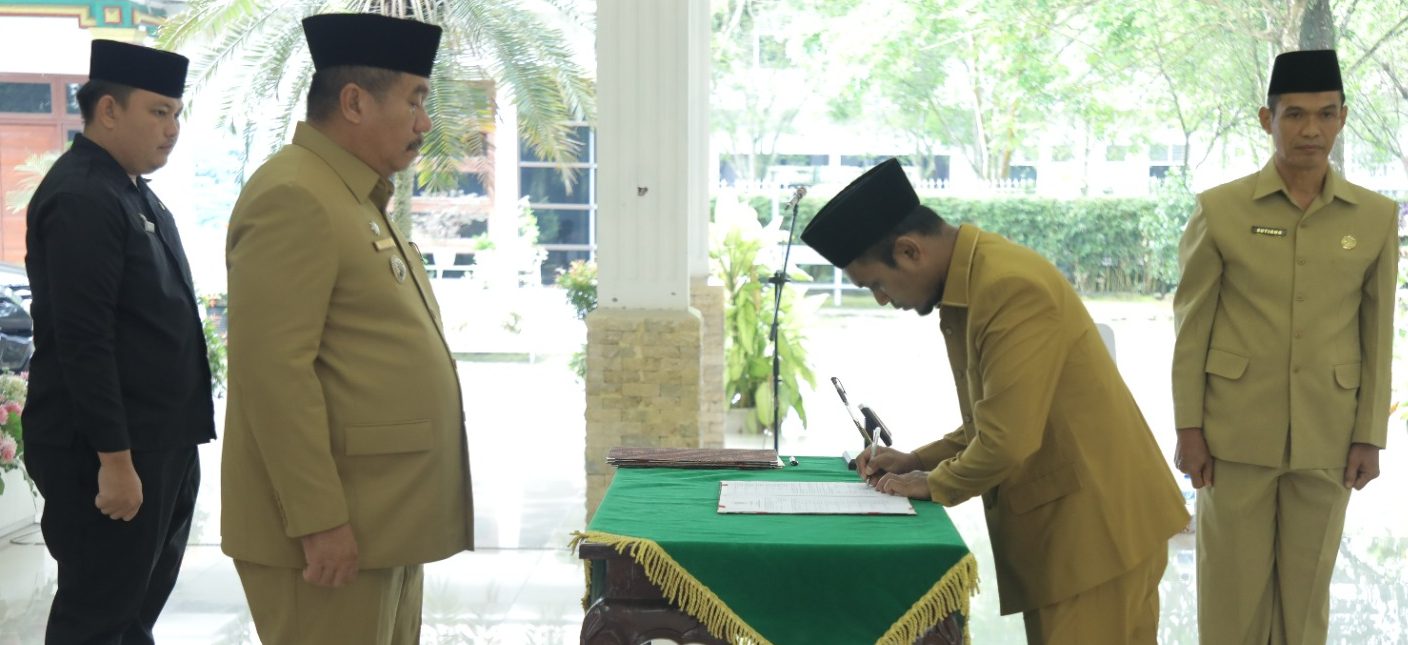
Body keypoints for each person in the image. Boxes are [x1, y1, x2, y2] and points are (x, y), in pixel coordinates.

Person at [801, 159, 1188, 644]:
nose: (881, 299)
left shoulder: (1007, 287)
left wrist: (931, 483)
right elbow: (999, 414)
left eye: (876, 283)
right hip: (1075, 528)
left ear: (909, 250)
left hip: (1097, 531)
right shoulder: (977, 282)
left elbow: (1007, 438)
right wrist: (917, 459)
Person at [220, 13, 473, 645]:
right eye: (415, 99)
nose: (425, 121)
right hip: (330, 532)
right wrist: (319, 521)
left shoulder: (350, 195)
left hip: (381, 517)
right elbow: (274, 375)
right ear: (355, 102)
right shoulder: (295, 196)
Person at [1171, 49, 1397, 645]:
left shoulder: (1375, 218)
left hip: (1329, 433)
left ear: (1343, 119)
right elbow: (1191, 328)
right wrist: (1188, 429)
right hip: (1232, 436)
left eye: (1325, 114)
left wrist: (1370, 434)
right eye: (1295, 114)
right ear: (1267, 120)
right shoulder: (1220, 211)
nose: (1311, 130)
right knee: (1231, 600)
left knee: (1306, 601)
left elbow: (1378, 335)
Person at [22, 40, 214, 644]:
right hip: (108, 455)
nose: (172, 129)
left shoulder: (131, 191)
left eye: (177, 114)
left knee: (129, 615)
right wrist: (116, 462)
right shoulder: (83, 196)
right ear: (108, 110)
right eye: (158, 112)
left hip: (160, 446)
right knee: (98, 618)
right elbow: (84, 340)